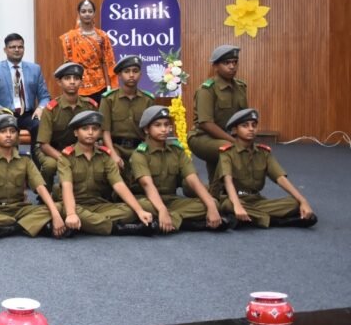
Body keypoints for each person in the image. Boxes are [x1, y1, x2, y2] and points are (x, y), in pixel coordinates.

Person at [212, 109, 317, 229]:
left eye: (254, 125)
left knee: (294, 203)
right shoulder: (227, 153)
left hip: (256, 200)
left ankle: (249, 218)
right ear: (235, 130)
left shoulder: (264, 152)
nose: (251, 129)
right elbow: (228, 181)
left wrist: (303, 201)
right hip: (233, 198)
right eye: (245, 126)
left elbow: (280, 178)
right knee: (228, 206)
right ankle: (278, 221)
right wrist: (237, 206)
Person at [57, 111, 156, 236]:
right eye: (85, 128)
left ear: (99, 132)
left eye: (95, 129)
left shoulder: (105, 156)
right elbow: (67, 187)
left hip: (99, 205)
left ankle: (86, 224)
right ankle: (117, 228)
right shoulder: (66, 157)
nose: (90, 132)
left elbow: (119, 185)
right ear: (76, 132)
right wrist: (71, 214)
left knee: (130, 210)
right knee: (63, 210)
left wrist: (139, 211)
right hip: (75, 205)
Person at [129, 106, 227, 234]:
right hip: (148, 200)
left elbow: (193, 180)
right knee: (141, 207)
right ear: (147, 129)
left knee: (213, 203)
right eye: (158, 125)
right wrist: (162, 209)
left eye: (166, 125)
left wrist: (211, 206)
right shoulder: (139, 154)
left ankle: (167, 221)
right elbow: (147, 185)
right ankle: (183, 221)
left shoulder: (177, 151)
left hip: (172, 200)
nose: (164, 129)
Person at [0, 114, 66, 240]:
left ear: (17, 136)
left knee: (59, 207)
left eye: (12, 131)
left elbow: (40, 187)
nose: (8, 135)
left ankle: (10, 228)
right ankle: (29, 225)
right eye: (3, 131)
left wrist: (55, 214)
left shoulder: (25, 159)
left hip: (20, 209)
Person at [188, 45, 248, 182]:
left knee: (249, 149)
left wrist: (244, 137)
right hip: (202, 137)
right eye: (226, 63)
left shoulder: (241, 87)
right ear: (215, 66)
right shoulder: (207, 89)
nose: (232, 66)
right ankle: (218, 189)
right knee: (230, 149)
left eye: (235, 62)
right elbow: (206, 124)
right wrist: (234, 141)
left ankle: (217, 189)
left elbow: (243, 117)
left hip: (226, 136)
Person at [35, 63, 99, 186]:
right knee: (50, 165)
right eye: (67, 78)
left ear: (81, 82)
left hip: (81, 148)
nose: (72, 82)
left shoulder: (90, 106)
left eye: (76, 78)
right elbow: (44, 144)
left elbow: (97, 137)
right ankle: (45, 192)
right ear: (59, 82)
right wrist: (63, 158)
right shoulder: (51, 109)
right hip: (53, 149)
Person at [98, 55, 155, 186]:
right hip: (115, 146)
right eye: (127, 71)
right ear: (119, 75)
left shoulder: (148, 100)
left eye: (135, 71)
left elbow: (151, 132)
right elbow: (105, 131)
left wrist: (144, 152)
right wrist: (113, 154)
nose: (131, 75)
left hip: (139, 147)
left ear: (140, 75)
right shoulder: (109, 99)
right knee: (113, 167)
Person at [0, 33, 50, 148]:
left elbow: (45, 96)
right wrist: (1, 110)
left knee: (39, 125)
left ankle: (37, 158)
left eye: (20, 47)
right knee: (7, 131)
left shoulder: (35, 69)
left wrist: (40, 108)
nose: (17, 50)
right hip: (4, 113)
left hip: (28, 114)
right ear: (5, 50)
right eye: (12, 47)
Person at [59, 0, 117, 102]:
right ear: (78, 13)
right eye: (83, 11)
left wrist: (109, 86)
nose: (87, 14)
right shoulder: (70, 37)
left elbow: (107, 62)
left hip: (100, 85)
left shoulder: (102, 36)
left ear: (94, 13)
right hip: (78, 85)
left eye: (90, 11)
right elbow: (68, 64)